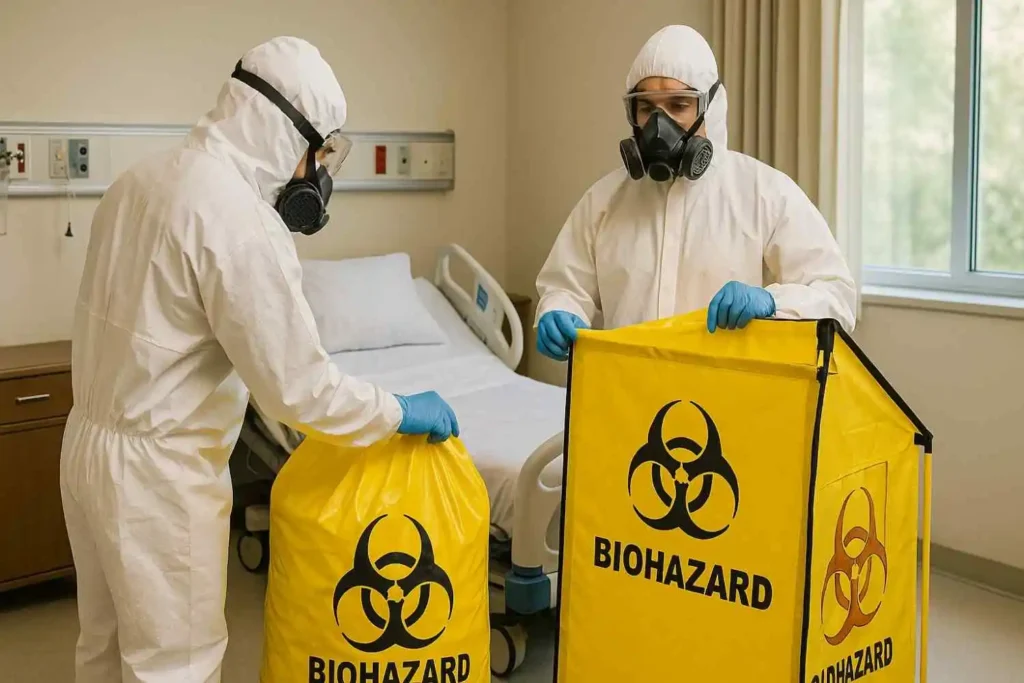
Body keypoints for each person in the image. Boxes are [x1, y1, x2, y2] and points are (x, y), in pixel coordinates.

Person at [59, 37, 458, 683]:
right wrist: (396, 411)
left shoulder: (141, 178)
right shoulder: (240, 221)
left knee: (102, 648)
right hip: (161, 476)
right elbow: (298, 390)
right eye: (320, 152)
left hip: (87, 446)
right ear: (285, 136)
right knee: (174, 665)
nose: (318, 173)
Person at [535, 25, 856, 361]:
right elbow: (565, 287)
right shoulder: (604, 201)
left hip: (726, 402)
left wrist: (773, 303)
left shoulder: (766, 194)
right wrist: (558, 311)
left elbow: (837, 297)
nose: (659, 125)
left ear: (711, 109)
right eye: (647, 108)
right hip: (629, 397)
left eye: (679, 105)